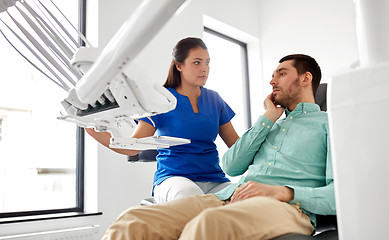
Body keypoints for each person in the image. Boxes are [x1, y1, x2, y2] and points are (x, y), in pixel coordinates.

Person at [101, 54, 336, 240]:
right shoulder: (270, 125)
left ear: (305, 79)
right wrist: (266, 120)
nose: (272, 81)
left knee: (209, 224)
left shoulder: (331, 125)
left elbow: (339, 195)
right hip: (229, 196)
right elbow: (232, 166)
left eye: (281, 74)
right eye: (273, 75)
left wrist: (282, 191)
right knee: (132, 220)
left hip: (289, 208)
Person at [86, 37, 239, 203]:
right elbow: (133, 147)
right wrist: (93, 130)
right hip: (174, 179)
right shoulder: (161, 99)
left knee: (247, 198)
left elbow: (238, 146)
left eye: (207, 62)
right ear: (179, 65)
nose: (205, 69)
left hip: (214, 179)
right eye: (197, 62)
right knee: (192, 198)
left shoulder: (215, 100)